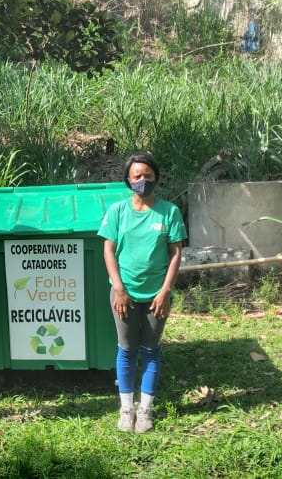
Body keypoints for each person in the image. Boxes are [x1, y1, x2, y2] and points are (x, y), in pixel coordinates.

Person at [98, 153, 185, 434]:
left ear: (156, 177)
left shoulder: (169, 212)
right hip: (123, 295)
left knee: (150, 350)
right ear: (128, 180)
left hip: (156, 296)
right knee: (126, 350)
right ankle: (126, 409)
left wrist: (165, 291)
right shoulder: (117, 212)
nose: (142, 180)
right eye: (137, 176)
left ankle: (145, 410)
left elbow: (175, 254)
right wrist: (119, 288)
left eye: (147, 175)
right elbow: (108, 250)